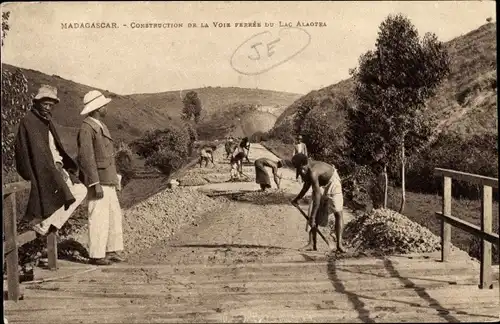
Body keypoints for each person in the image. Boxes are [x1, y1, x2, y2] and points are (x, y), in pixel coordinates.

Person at [14, 85, 88, 236]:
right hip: (43, 171)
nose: (48, 108)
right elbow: (29, 152)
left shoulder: (46, 122)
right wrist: (50, 171)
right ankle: (44, 225)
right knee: (77, 191)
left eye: (51, 106)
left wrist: (59, 165)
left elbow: (53, 149)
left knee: (81, 190)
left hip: (54, 168)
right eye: (45, 104)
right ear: (37, 103)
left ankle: (46, 224)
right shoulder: (29, 121)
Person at [77, 90, 125, 266]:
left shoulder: (100, 126)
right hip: (99, 180)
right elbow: (87, 158)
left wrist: (115, 178)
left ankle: (111, 250)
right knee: (98, 217)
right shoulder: (87, 128)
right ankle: (97, 255)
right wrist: (94, 183)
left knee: (113, 216)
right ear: (97, 108)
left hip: (108, 179)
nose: (106, 108)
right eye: (104, 105)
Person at [290, 153, 346, 253]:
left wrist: (312, 217)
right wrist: (297, 199)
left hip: (333, 182)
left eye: (299, 168)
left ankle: (339, 245)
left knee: (338, 213)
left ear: (304, 164)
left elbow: (317, 196)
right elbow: (307, 185)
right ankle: (312, 244)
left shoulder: (313, 171)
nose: (299, 171)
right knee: (312, 210)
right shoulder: (306, 168)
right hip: (320, 183)